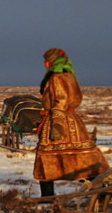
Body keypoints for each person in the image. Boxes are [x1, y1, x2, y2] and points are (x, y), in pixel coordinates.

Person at [33, 48, 106, 198]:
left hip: (58, 121)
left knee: (46, 161)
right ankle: (101, 192)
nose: (45, 64)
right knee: (81, 161)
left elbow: (60, 100)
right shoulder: (70, 76)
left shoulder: (56, 78)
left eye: (47, 61)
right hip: (74, 122)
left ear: (52, 61)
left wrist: (57, 124)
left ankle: (47, 199)